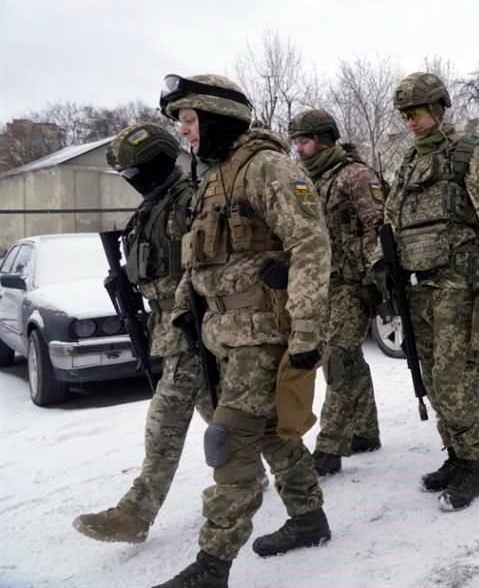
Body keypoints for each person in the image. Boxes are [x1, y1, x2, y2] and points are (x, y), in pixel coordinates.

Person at [153, 74, 331, 588]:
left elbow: (311, 246)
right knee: (274, 432)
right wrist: (184, 315)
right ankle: (309, 518)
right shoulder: (212, 178)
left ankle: (212, 565)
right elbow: (197, 263)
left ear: (213, 117)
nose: (185, 132)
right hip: (221, 334)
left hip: (262, 333)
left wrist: (305, 333)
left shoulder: (268, 167)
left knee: (229, 442)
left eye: (188, 120)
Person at [73, 123, 217, 544]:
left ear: (153, 165)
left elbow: (205, 267)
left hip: (191, 326)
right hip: (166, 325)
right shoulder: (153, 206)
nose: (131, 181)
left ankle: (135, 514)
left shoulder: (190, 201)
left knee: (164, 421)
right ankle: (284, 472)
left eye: (134, 172)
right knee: (224, 411)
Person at [384, 72, 479, 510]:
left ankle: (472, 463)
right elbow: (392, 218)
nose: (412, 122)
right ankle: (454, 453)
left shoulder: (465, 152)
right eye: (406, 116)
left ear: (438, 109)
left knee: (456, 376)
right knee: (431, 377)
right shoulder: (408, 162)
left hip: (457, 283)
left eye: (417, 113)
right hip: (417, 286)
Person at [287, 109, 384, 477]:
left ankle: (330, 445)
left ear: (325, 139)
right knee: (346, 357)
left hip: (352, 283)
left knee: (338, 359)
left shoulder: (353, 175)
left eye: (305, 140)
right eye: (296, 141)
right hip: (322, 284)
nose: (300, 148)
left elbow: (378, 225)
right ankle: (365, 429)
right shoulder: (304, 180)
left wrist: (375, 273)